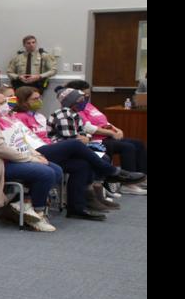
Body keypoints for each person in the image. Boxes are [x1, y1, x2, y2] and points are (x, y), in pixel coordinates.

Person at [10, 85, 141, 219]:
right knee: (75, 144)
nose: (39, 101)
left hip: (49, 148)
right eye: (34, 99)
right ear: (23, 101)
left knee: (82, 165)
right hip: (34, 152)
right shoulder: (19, 118)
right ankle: (111, 172)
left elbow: (53, 136)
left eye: (39, 98)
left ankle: (76, 208)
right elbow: (24, 141)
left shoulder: (39, 116)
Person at [0, 89, 61, 231]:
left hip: (12, 159)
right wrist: (30, 159)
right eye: (2, 102)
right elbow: (0, 149)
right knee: (46, 173)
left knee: (56, 170)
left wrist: (35, 155)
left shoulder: (2, 118)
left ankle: (25, 203)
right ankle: (38, 213)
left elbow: (21, 140)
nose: (7, 104)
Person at [60, 81, 145, 190]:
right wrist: (111, 133)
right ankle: (128, 184)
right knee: (128, 147)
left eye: (88, 93)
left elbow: (103, 121)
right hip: (96, 139)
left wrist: (116, 129)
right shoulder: (76, 108)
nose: (87, 96)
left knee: (138, 143)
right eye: (85, 94)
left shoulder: (89, 105)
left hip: (107, 135)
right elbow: (87, 128)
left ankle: (142, 178)